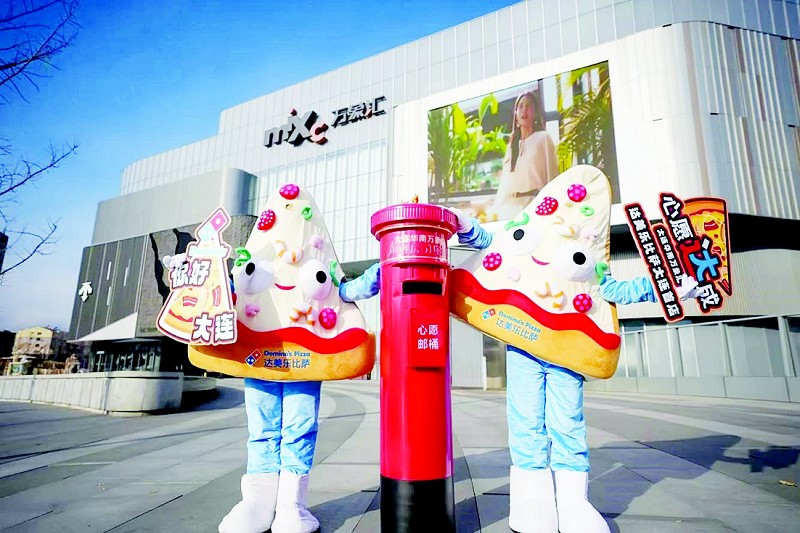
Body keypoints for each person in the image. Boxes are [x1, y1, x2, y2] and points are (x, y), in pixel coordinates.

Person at [449, 207, 698, 533]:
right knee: (526, 422)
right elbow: (492, 243)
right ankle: (531, 501)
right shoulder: (533, 235)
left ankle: (572, 503)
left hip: (569, 350)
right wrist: (465, 224)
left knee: (567, 424)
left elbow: (615, 290)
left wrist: (670, 288)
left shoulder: (590, 253)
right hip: (524, 344)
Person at [216, 263, 381, 533]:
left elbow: (343, 290)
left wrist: (379, 273)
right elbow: (226, 288)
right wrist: (200, 273)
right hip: (258, 350)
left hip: (305, 354)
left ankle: (290, 503)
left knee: (298, 429)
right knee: (262, 429)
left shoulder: (314, 251)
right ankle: (257, 501)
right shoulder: (259, 251)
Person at [492, 91, 559, 220]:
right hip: (509, 210)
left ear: (535, 113)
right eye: (521, 106)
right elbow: (505, 184)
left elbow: (552, 177)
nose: (524, 110)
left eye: (528, 106)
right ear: (516, 114)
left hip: (535, 206)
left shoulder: (543, 138)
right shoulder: (512, 145)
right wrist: (495, 211)